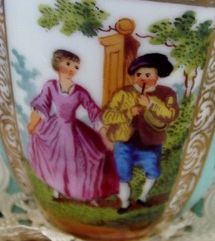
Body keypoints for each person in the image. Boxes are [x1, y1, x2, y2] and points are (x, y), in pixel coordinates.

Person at [27, 49, 117, 202]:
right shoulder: (50, 86)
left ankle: (84, 192)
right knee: (56, 158)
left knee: (79, 160)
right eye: (68, 64)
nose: (71, 70)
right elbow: (42, 104)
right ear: (57, 64)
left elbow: (93, 112)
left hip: (72, 131)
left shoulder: (80, 92)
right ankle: (57, 189)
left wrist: (105, 134)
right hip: (54, 128)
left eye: (75, 67)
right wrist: (33, 123)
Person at [102, 53, 179, 213]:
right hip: (124, 141)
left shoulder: (166, 93)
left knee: (152, 171)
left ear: (156, 76)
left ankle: (143, 196)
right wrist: (128, 113)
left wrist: (151, 103)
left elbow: (171, 115)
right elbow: (106, 116)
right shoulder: (124, 93)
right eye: (139, 74)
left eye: (148, 75)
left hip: (151, 142)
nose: (143, 78)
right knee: (122, 174)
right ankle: (124, 203)